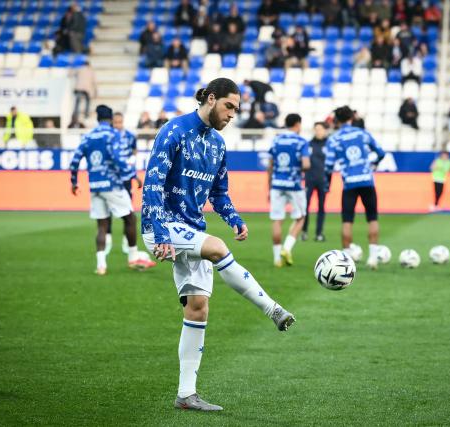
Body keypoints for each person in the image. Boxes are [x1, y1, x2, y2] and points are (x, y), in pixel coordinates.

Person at [141, 78, 296, 411]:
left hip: (191, 230)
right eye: (229, 106)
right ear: (211, 99)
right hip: (163, 226)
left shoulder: (217, 145)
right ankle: (272, 309)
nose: (232, 115)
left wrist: (234, 218)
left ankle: (186, 394)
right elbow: (152, 182)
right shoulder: (174, 131)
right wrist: (161, 231)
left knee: (198, 308)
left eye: (236, 110)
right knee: (218, 248)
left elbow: (218, 193)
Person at [69, 105, 155, 275]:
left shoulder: (88, 137)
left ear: (97, 118)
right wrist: (134, 175)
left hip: (95, 186)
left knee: (102, 225)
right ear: (110, 119)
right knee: (130, 218)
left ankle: (101, 265)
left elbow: (75, 161)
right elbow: (118, 158)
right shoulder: (113, 134)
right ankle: (132, 257)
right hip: (112, 184)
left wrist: (74, 182)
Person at [325, 106, 386, 269]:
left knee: (347, 221)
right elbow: (381, 152)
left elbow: (328, 165)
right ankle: (373, 258)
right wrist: (374, 164)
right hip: (367, 180)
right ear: (352, 117)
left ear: (337, 120)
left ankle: (345, 259)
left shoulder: (334, 139)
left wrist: (327, 184)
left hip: (349, 183)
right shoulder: (362, 133)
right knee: (372, 218)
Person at [267, 114, 310, 266]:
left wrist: (269, 187)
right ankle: (287, 248)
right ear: (298, 124)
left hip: (277, 184)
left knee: (277, 221)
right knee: (300, 218)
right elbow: (305, 164)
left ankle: (277, 258)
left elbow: (270, 165)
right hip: (294, 185)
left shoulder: (276, 140)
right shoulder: (301, 142)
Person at [103, 111, 142, 255]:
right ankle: (107, 239)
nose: (118, 125)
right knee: (107, 210)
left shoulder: (130, 136)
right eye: (115, 122)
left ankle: (127, 240)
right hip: (111, 178)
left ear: (123, 121)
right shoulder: (109, 136)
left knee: (128, 210)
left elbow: (134, 151)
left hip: (125, 177)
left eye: (120, 122)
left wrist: (130, 165)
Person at [302, 122, 330, 242]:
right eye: (316, 129)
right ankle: (304, 231)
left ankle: (319, 233)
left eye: (320, 129)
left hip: (323, 180)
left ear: (325, 131)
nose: (318, 131)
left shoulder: (329, 145)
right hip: (309, 180)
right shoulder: (308, 144)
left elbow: (331, 165)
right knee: (305, 207)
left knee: (321, 207)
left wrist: (329, 181)